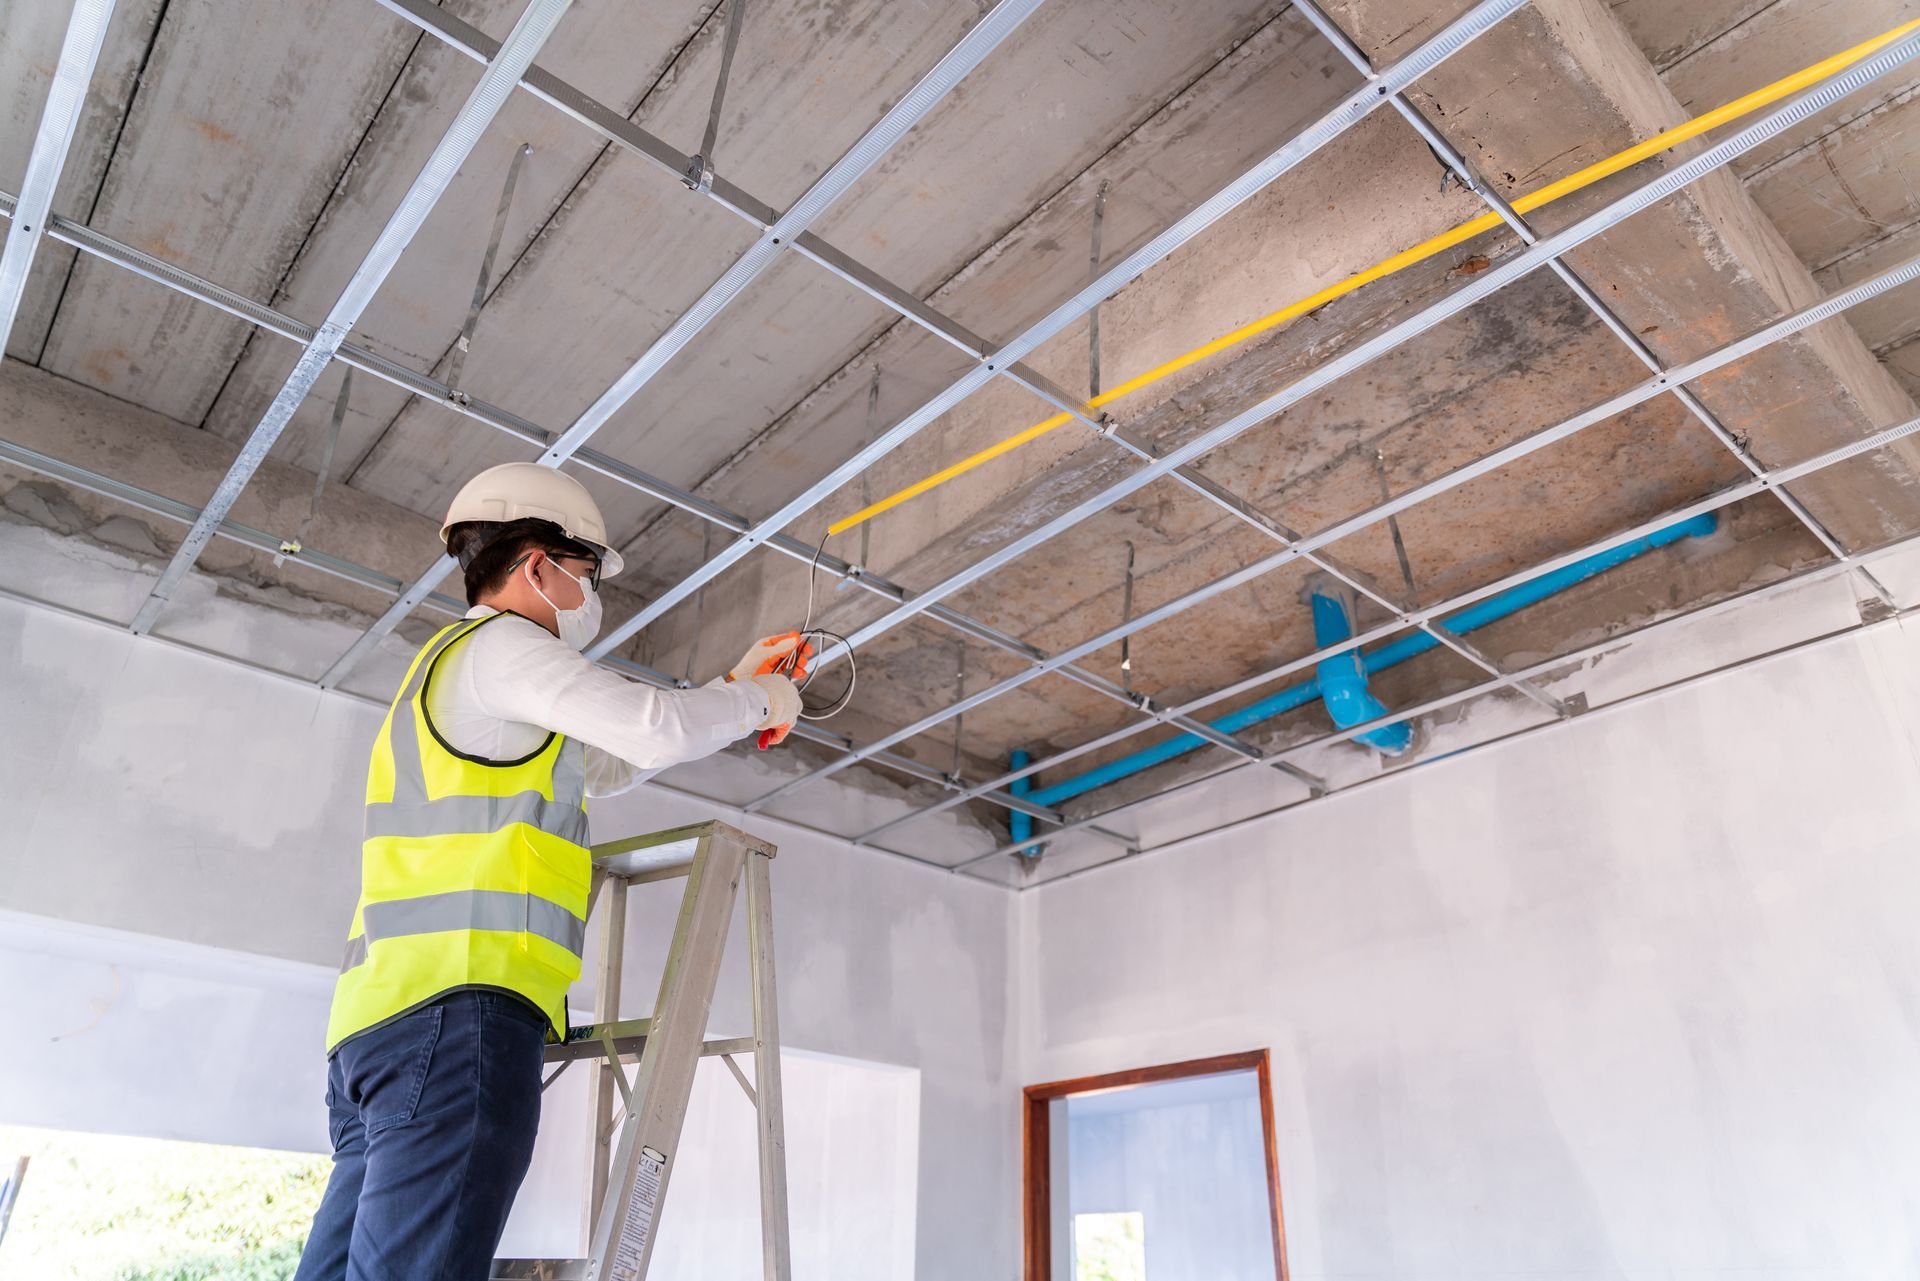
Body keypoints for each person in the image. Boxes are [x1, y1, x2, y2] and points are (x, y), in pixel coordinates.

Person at [293, 462, 807, 1280]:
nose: (591, 597)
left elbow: (602, 764)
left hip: (377, 1030)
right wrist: (761, 704)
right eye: (587, 574)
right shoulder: (504, 648)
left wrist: (735, 688)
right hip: (457, 1018)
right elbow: (653, 727)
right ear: (538, 566)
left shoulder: (446, 669)